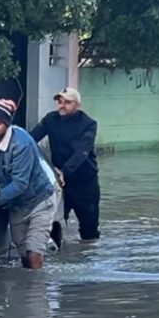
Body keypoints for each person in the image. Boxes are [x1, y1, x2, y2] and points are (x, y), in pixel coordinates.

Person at [0, 100, 57, 269]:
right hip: (15, 206)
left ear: (7, 125)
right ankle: (26, 288)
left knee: (33, 251)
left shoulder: (21, 144)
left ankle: (36, 291)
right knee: (23, 254)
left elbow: (19, 184)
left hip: (39, 201)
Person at [30, 87, 100, 242]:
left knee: (89, 231)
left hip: (84, 182)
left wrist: (65, 171)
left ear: (77, 105)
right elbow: (31, 140)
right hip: (59, 181)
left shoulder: (88, 124)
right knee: (53, 224)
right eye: (59, 102)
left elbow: (82, 151)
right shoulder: (50, 119)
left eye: (67, 102)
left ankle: (88, 257)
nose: (62, 105)